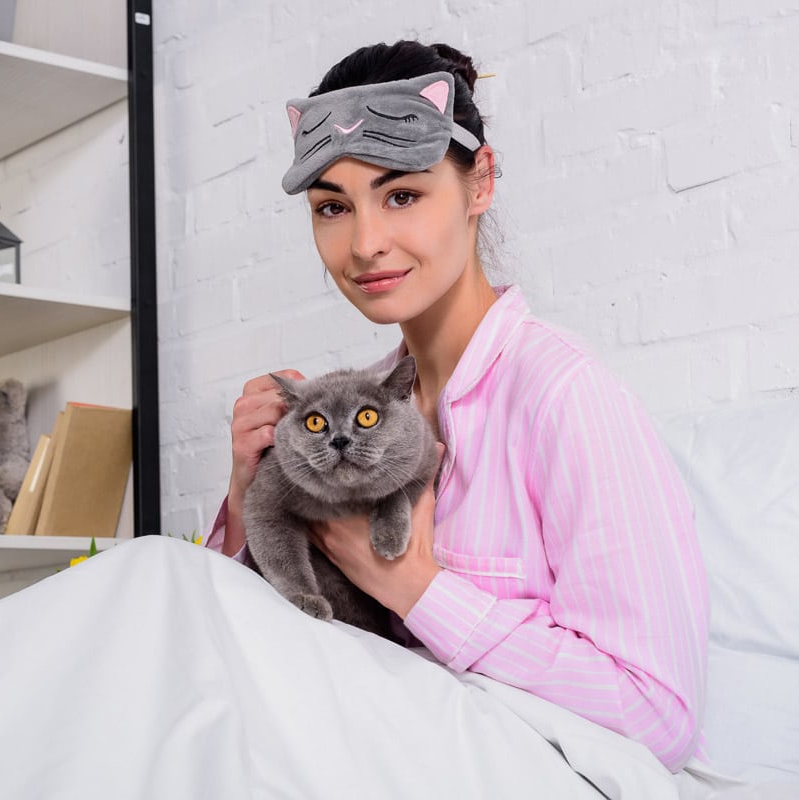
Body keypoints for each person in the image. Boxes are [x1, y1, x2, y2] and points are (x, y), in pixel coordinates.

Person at [205, 39, 709, 772]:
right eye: (331, 208)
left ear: (480, 184)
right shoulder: (348, 411)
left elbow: (658, 717)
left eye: (401, 195)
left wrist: (411, 586)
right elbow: (252, 647)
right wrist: (249, 491)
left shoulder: (563, 397)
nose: (365, 243)